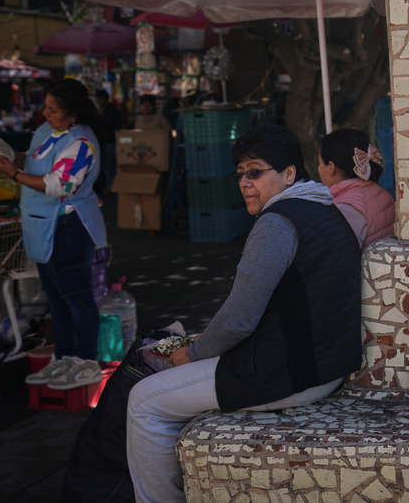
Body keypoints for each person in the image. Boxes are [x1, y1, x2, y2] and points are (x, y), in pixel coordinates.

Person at [126, 124, 362, 503]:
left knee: (142, 402)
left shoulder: (277, 223)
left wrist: (195, 354)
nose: (245, 182)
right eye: (240, 174)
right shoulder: (325, 208)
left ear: (289, 174)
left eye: (255, 172)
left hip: (289, 374)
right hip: (327, 367)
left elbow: (239, 319)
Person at [0, 79, 108, 390]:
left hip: (69, 227)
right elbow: (32, 159)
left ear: (72, 115)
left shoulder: (81, 142)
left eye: (53, 110)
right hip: (41, 224)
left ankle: (87, 362)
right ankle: (63, 357)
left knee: (77, 297)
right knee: (56, 298)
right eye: (46, 107)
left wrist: (15, 175)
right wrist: (9, 158)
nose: (46, 114)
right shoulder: (47, 132)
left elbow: (60, 185)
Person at [317, 128, 395, 248]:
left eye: (320, 163)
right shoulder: (381, 193)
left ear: (331, 167)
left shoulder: (346, 208)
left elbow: (339, 255)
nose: (319, 169)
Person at [94, 89, 122, 193]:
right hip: (98, 142)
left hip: (110, 142)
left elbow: (118, 128)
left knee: (108, 162)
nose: (100, 101)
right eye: (98, 99)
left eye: (102, 98)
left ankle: (112, 183)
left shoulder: (113, 111)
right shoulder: (96, 113)